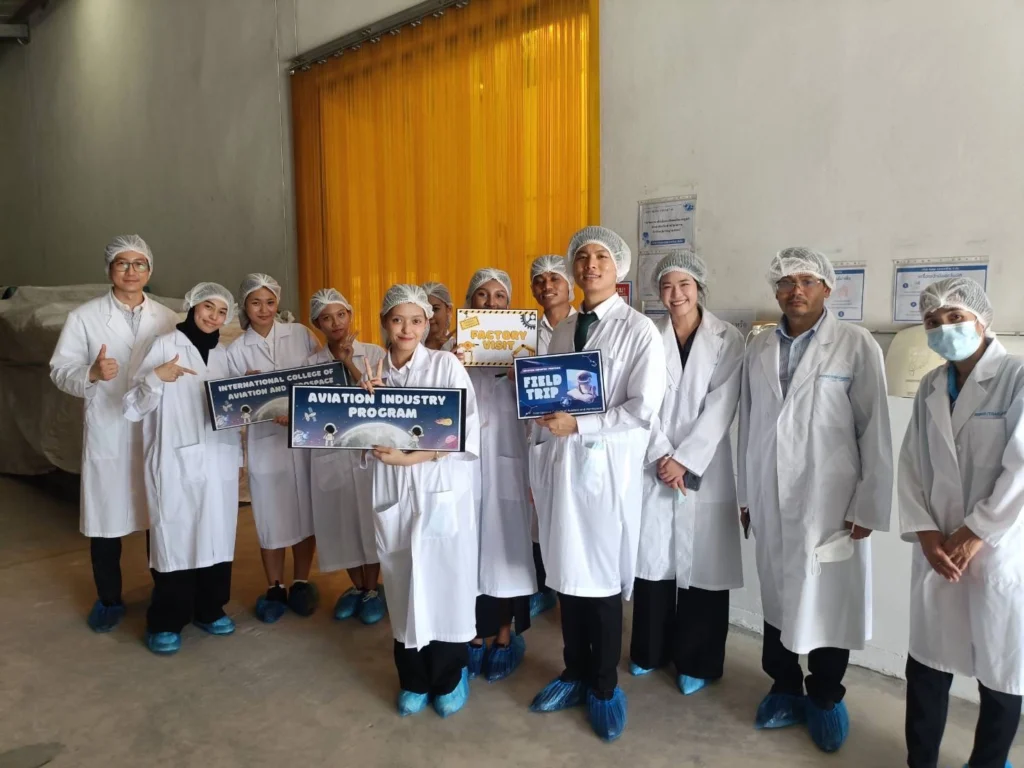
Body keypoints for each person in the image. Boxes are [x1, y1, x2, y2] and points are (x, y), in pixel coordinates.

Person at [737, 247, 892, 753]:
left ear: (827, 287)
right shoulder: (759, 347)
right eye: (785, 281)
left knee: (827, 600)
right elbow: (749, 425)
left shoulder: (855, 344)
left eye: (806, 280)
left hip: (830, 497)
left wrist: (869, 504)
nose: (795, 290)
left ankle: (825, 696)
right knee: (778, 592)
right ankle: (783, 687)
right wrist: (745, 493)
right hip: (769, 489)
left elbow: (875, 430)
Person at [529, 226, 667, 742]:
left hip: (606, 472)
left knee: (602, 579)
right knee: (567, 573)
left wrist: (581, 425)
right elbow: (552, 395)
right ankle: (574, 672)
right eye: (582, 256)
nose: (590, 264)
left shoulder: (639, 330)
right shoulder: (564, 329)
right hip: (562, 467)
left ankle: (605, 685)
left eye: (601, 256)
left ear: (618, 267)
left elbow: (643, 408)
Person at [899, 278, 1024, 768]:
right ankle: (920, 761)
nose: (944, 328)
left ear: (981, 319)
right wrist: (926, 533)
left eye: (955, 317)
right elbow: (913, 464)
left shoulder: (1016, 377)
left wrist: (976, 533)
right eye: (933, 322)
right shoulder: (932, 385)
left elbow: (1021, 468)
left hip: (999, 547)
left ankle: (987, 762)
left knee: (1003, 669)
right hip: (937, 547)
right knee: (927, 662)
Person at [49, 235, 179, 632]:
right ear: (109, 270)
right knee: (105, 519)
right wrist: (90, 372)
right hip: (109, 429)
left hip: (154, 428)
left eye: (139, 264)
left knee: (159, 515)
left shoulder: (168, 318)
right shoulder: (84, 317)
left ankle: (165, 595)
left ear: (149, 271)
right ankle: (108, 599)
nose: (131, 271)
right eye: (122, 263)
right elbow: (60, 370)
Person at [361, 284, 480, 718]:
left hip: (439, 488)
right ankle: (412, 678)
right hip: (393, 492)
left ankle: (449, 676)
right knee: (402, 583)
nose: (407, 329)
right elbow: (358, 441)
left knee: (445, 583)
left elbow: (465, 429)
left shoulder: (446, 365)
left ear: (427, 323)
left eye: (416, 320)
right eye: (398, 320)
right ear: (384, 323)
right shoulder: (374, 373)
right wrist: (365, 405)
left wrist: (412, 458)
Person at [630, 251, 744, 696]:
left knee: (704, 568)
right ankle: (649, 651)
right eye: (667, 286)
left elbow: (723, 403)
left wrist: (685, 459)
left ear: (699, 288)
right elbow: (640, 399)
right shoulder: (646, 334)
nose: (675, 294)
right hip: (654, 462)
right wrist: (663, 453)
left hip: (705, 463)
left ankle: (698, 660)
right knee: (653, 562)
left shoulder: (728, 338)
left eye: (684, 285)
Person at [123, 282, 242, 655]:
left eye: (222, 312)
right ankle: (166, 621)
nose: (214, 317)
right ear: (192, 306)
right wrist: (155, 378)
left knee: (217, 535)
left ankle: (210, 609)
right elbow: (131, 406)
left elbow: (234, 409)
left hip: (219, 460)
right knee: (175, 537)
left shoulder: (223, 355)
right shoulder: (163, 346)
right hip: (174, 461)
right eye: (208, 307)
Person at [226, 274, 320, 623]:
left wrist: (295, 410)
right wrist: (249, 391)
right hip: (265, 443)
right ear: (244, 306)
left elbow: (320, 377)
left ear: (277, 302)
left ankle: (301, 581)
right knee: (270, 515)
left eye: (269, 302)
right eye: (255, 302)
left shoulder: (299, 334)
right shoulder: (236, 350)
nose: (263, 309)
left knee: (305, 512)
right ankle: (275, 586)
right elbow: (231, 405)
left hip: (302, 438)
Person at [461, 268, 536, 682]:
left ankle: (504, 637)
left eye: (499, 297)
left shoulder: (525, 349)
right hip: (467, 471)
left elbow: (542, 408)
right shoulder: (455, 351)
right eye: (482, 296)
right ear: (470, 302)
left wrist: (522, 374)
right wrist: (455, 364)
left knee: (507, 550)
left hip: (509, 464)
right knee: (470, 552)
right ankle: (474, 637)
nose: (491, 303)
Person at [304, 288, 388, 624]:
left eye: (341, 315)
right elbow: (309, 411)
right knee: (340, 523)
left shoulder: (375, 353)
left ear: (350, 315)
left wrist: (349, 362)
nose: (336, 323)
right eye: (327, 318)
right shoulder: (310, 365)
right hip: (332, 455)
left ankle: (373, 589)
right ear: (317, 324)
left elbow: (379, 401)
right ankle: (357, 587)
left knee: (370, 521)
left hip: (368, 454)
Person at [527, 254, 578, 618]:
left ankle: (570, 591)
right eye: (539, 280)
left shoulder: (586, 325)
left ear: (570, 285)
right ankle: (543, 587)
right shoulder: (524, 330)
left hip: (579, 435)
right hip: (538, 434)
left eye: (554, 279)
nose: (547, 286)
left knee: (572, 517)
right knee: (539, 516)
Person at [422, 281, 456, 351]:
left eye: (435, 309)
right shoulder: (408, 345)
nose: (430, 316)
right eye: (425, 310)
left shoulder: (457, 348)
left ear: (449, 310)